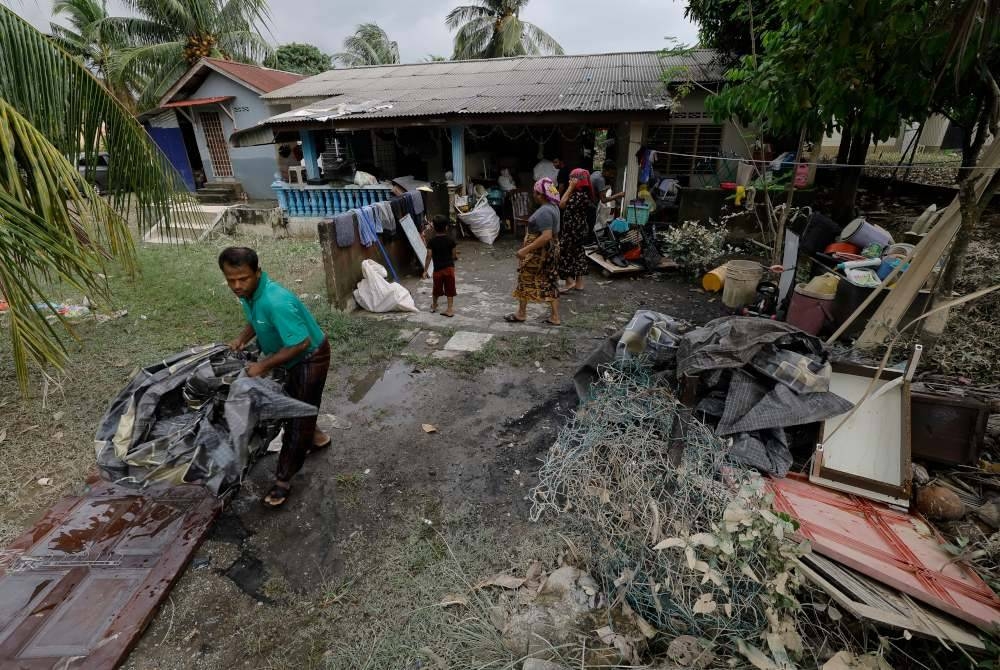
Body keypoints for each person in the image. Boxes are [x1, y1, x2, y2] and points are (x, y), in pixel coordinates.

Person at [220, 247, 330, 508]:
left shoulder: (275, 300)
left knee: (295, 417)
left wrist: (262, 366)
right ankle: (316, 437)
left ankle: (283, 480)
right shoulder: (252, 294)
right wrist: (240, 340)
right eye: (230, 280)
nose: (237, 285)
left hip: (308, 357)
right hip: (290, 355)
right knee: (296, 404)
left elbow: (300, 343)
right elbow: (257, 320)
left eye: (243, 279)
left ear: (257, 273)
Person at [506, 178, 562, 326]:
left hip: (539, 253)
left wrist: (525, 250)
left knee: (525, 279)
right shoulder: (554, 206)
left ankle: (521, 313)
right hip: (550, 250)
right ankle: (555, 316)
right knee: (550, 280)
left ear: (539, 194)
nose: (533, 195)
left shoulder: (544, 211)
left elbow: (546, 236)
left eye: (534, 192)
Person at [558, 168, 595, 293]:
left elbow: (562, 204)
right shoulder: (584, 194)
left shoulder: (577, 195)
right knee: (577, 254)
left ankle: (570, 281)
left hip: (572, 230)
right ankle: (579, 283)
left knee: (563, 254)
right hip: (579, 229)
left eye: (572, 179)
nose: (569, 181)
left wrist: (570, 187)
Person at [423, 215, 458, 317]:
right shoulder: (451, 240)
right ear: (446, 227)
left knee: (436, 288)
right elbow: (454, 255)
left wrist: (425, 270)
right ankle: (450, 309)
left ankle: (434, 305)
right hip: (449, 268)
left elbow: (429, 256)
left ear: (433, 227)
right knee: (450, 288)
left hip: (438, 269)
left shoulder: (432, 241)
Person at [591, 159, 626, 227]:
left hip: (588, 203)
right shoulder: (601, 180)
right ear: (605, 170)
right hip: (591, 205)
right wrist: (619, 195)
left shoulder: (596, 173)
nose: (611, 175)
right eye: (611, 173)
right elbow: (603, 200)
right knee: (592, 226)